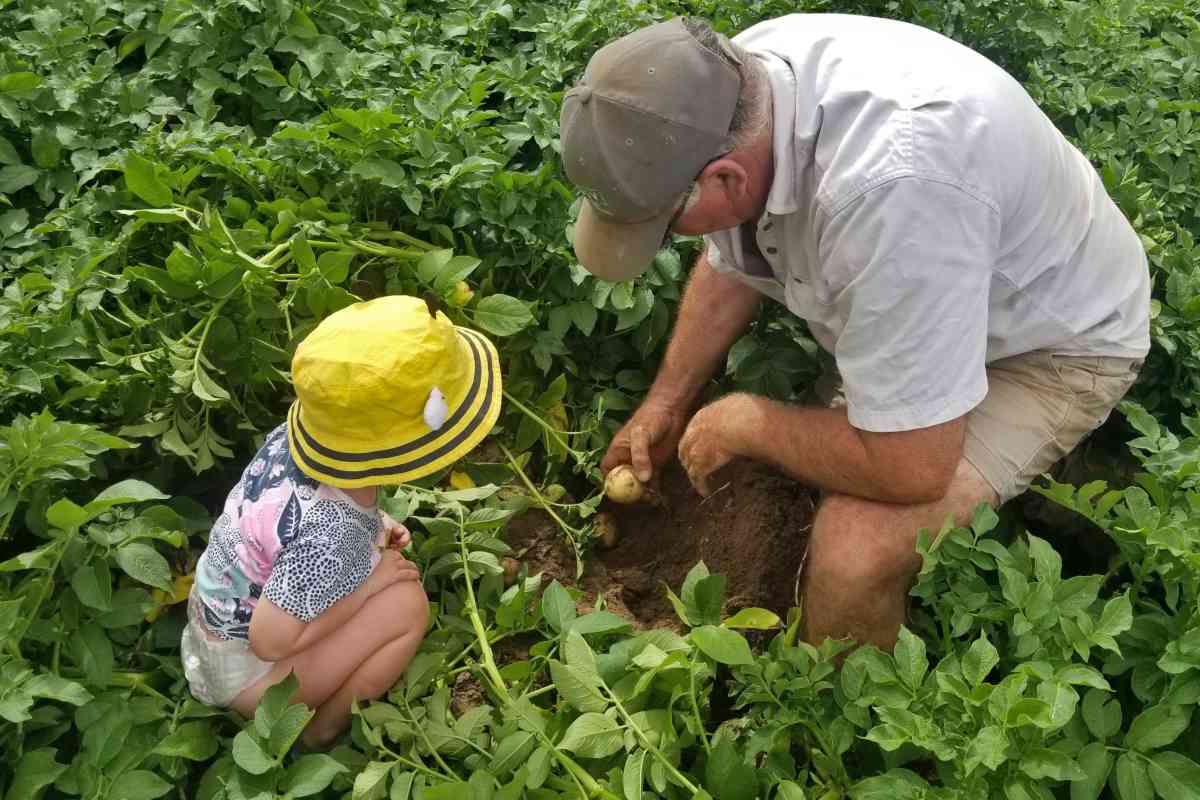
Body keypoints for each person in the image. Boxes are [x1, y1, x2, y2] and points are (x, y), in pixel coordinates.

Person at [559, 15, 1150, 649]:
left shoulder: (895, 192)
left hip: (1048, 345)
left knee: (851, 551)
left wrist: (747, 421)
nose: (674, 238)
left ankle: (843, 734)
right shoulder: (729, 86)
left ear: (727, 178)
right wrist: (666, 401)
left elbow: (911, 466)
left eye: (665, 222)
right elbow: (728, 257)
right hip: (936, 273)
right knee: (821, 455)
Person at [181, 295, 502, 747]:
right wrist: (370, 586)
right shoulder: (333, 534)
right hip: (251, 677)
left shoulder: (296, 442)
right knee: (408, 606)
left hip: (212, 633)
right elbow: (270, 641)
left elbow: (294, 520)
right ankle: (321, 728)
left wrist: (375, 524)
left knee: (380, 579)